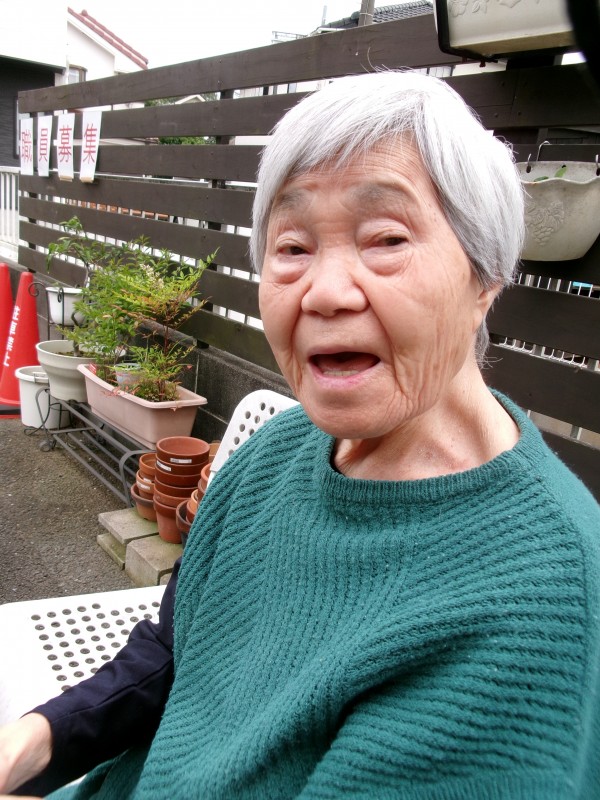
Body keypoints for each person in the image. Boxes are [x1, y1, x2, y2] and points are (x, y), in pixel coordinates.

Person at [1, 70, 599, 799]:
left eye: (385, 238)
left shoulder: (535, 603)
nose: (325, 292)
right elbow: (181, 647)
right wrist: (39, 739)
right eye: (292, 246)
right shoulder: (274, 452)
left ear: (486, 276)